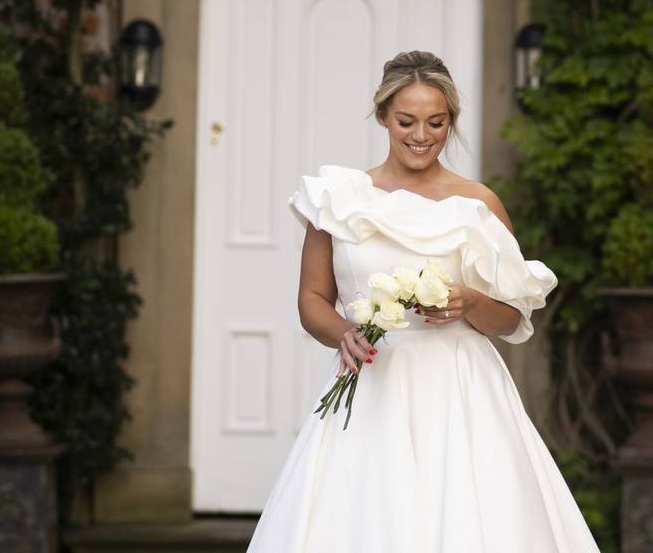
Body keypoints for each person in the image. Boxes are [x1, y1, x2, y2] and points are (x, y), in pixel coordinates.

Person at [246, 51, 600, 552]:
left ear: (451, 121)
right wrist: (343, 334)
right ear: (383, 117)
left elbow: (510, 317)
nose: (421, 135)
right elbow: (312, 298)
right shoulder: (338, 199)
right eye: (406, 121)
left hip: (460, 390)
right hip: (372, 385)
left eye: (437, 122)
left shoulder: (478, 203)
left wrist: (470, 301)